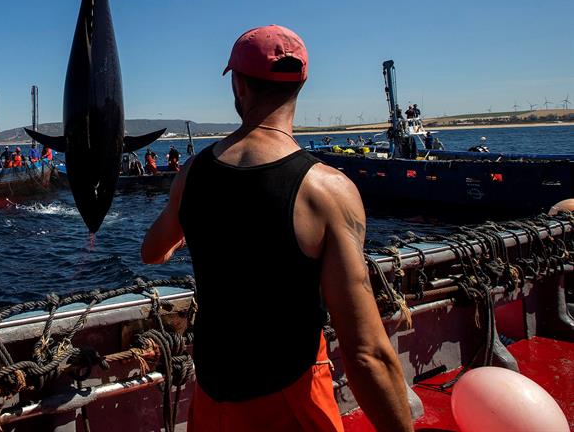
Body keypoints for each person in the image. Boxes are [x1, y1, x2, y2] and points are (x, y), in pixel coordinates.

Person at [141, 25, 412, 432]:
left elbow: (152, 252)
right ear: (301, 84)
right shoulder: (327, 190)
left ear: (238, 85)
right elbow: (366, 352)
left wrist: (197, 225)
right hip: (294, 402)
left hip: (214, 403)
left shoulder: (192, 174)